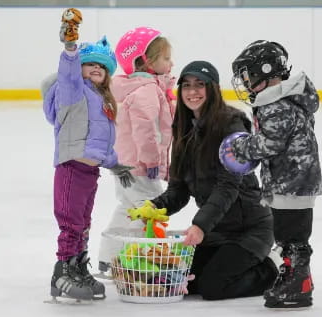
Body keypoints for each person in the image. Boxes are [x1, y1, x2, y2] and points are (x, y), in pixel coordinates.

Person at [142, 60, 283, 300]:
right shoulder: (184, 131)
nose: (192, 91)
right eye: (186, 85)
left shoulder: (231, 125)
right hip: (217, 231)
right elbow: (179, 190)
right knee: (182, 280)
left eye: (200, 84)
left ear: (213, 89)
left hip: (249, 231)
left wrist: (200, 225)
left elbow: (228, 186)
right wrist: (154, 206)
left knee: (213, 287)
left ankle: (272, 268)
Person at [41, 8, 135, 301]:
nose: (96, 69)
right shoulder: (73, 92)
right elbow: (68, 72)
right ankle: (63, 273)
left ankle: (79, 267)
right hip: (71, 169)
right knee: (70, 223)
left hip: (90, 171)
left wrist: (115, 164)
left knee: (83, 223)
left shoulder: (103, 101)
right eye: (90, 64)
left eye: (102, 67)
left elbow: (99, 143)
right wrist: (70, 46)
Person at [225, 40, 322, 308]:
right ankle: (299, 280)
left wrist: (241, 147)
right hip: (294, 181)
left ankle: (297, 284)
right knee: (291, 235)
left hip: (291, 183)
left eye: (247, 76)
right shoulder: (284, 99)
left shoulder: (276, 105)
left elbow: (270, 143)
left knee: (291, 236)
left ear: (263, 72)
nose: (244, 83)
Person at [97, 26, 176, 275]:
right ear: (145, 61)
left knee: (127, 209)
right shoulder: (146, 90)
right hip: (141, 167)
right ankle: (154, 257)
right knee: (151, 210)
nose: (171, 63)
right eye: (165, 58)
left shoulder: (138, 87)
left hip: (127, 165)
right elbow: (147, 128)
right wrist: (152, 160)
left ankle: (108, 257)